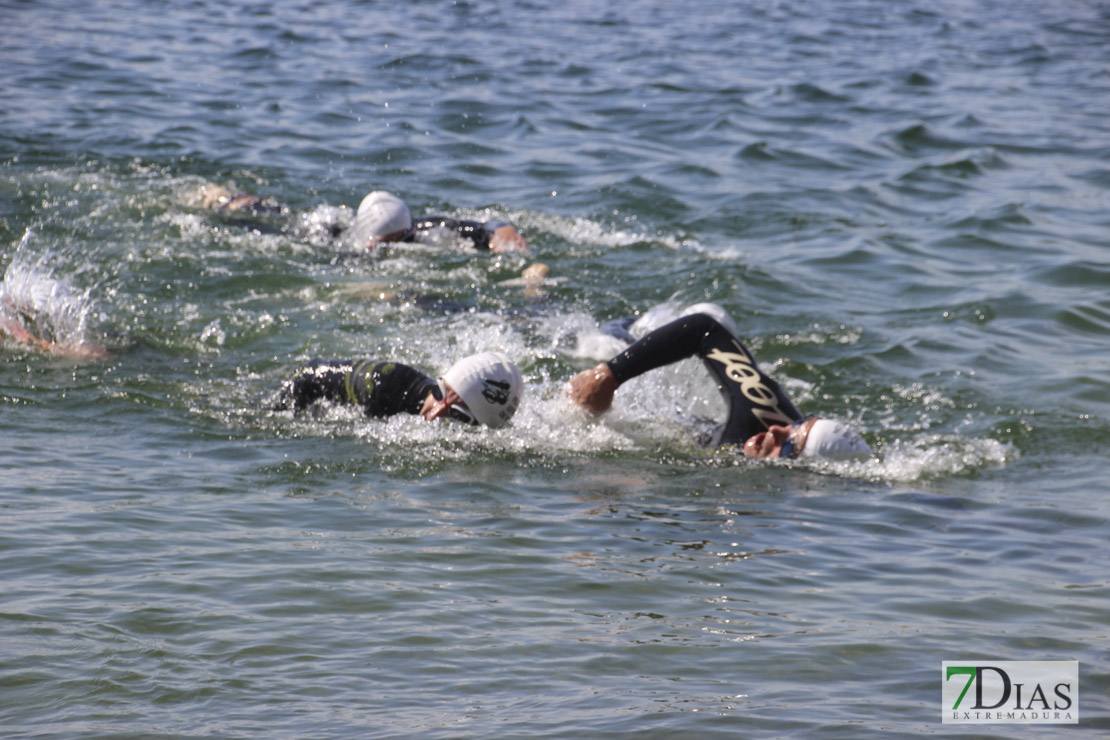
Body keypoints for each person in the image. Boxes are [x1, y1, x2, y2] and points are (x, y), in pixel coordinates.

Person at [567, 304, 871, 460]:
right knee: (713, 314)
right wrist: (608, 376)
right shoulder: (764, 411)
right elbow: (703, 328)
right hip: (685, 425)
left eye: (791, 443)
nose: (776, 431)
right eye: (794, 425)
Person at [198, 184, 527, 252]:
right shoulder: (339, 235)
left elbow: (489, 226)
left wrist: (505, 238)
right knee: (287, 222)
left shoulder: (427, 230)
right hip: (330, 229)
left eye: (392, 241)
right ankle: (228, 197)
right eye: (382, 243)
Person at [274, 351, 523, 429]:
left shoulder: (483, 426)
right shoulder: (382, 386)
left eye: (457, 414)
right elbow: (306, 375)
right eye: (439, 393)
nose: (436, 412)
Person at [354, 190, 527, 252]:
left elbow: (497, 227)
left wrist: (509, 249)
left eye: (404, 238)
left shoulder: (432, 230)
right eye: (385, 244)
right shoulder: (347, 243)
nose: (395, 246)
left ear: (411, 229)